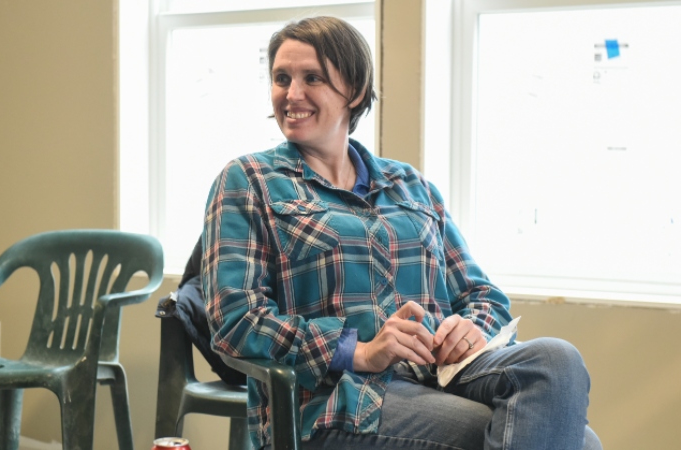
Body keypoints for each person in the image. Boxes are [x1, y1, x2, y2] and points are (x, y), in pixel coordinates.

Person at [201, 16, 602, 450]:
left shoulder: (409, 184)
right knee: (578, 442)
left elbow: (483, 296)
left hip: (444, 377)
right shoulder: (249, 179)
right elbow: (236, 320)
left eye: (311, 78)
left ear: (353, 90)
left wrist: (473, 330)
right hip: (339, 401)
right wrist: (360, 351)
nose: (291, 94)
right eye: (282, 78)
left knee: (556, 361)